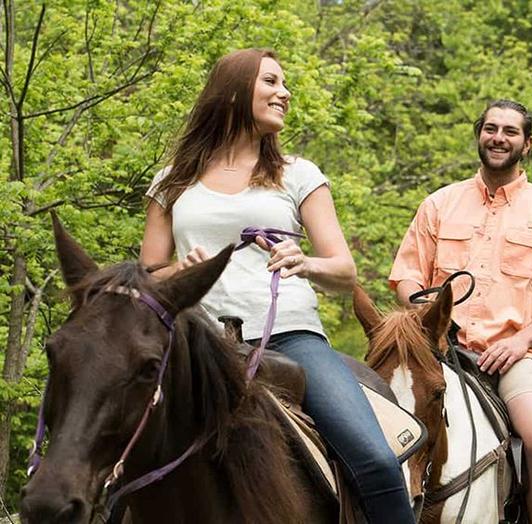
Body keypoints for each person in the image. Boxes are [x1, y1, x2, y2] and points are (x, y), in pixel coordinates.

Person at [139, 48, 409, 523]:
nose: (283, 93)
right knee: (112, 450)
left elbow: (344, 272)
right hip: (193, 346)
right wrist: (183, 270)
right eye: (271, 82)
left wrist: (305, 260)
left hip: (290, 337)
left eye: (285, 84)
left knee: (377, 460)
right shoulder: (171, 182)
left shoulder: (298, 175)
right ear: (235, 91)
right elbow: (148, 276)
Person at [389, 100, 532, 524]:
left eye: (510, 131)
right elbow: (406, 277)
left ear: (527, 144)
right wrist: (428, 315)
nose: (499, 138)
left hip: (512, 357)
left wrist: (520, 341)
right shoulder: (438, 205)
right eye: (491, 129)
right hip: (437, 353)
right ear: (479, 135)